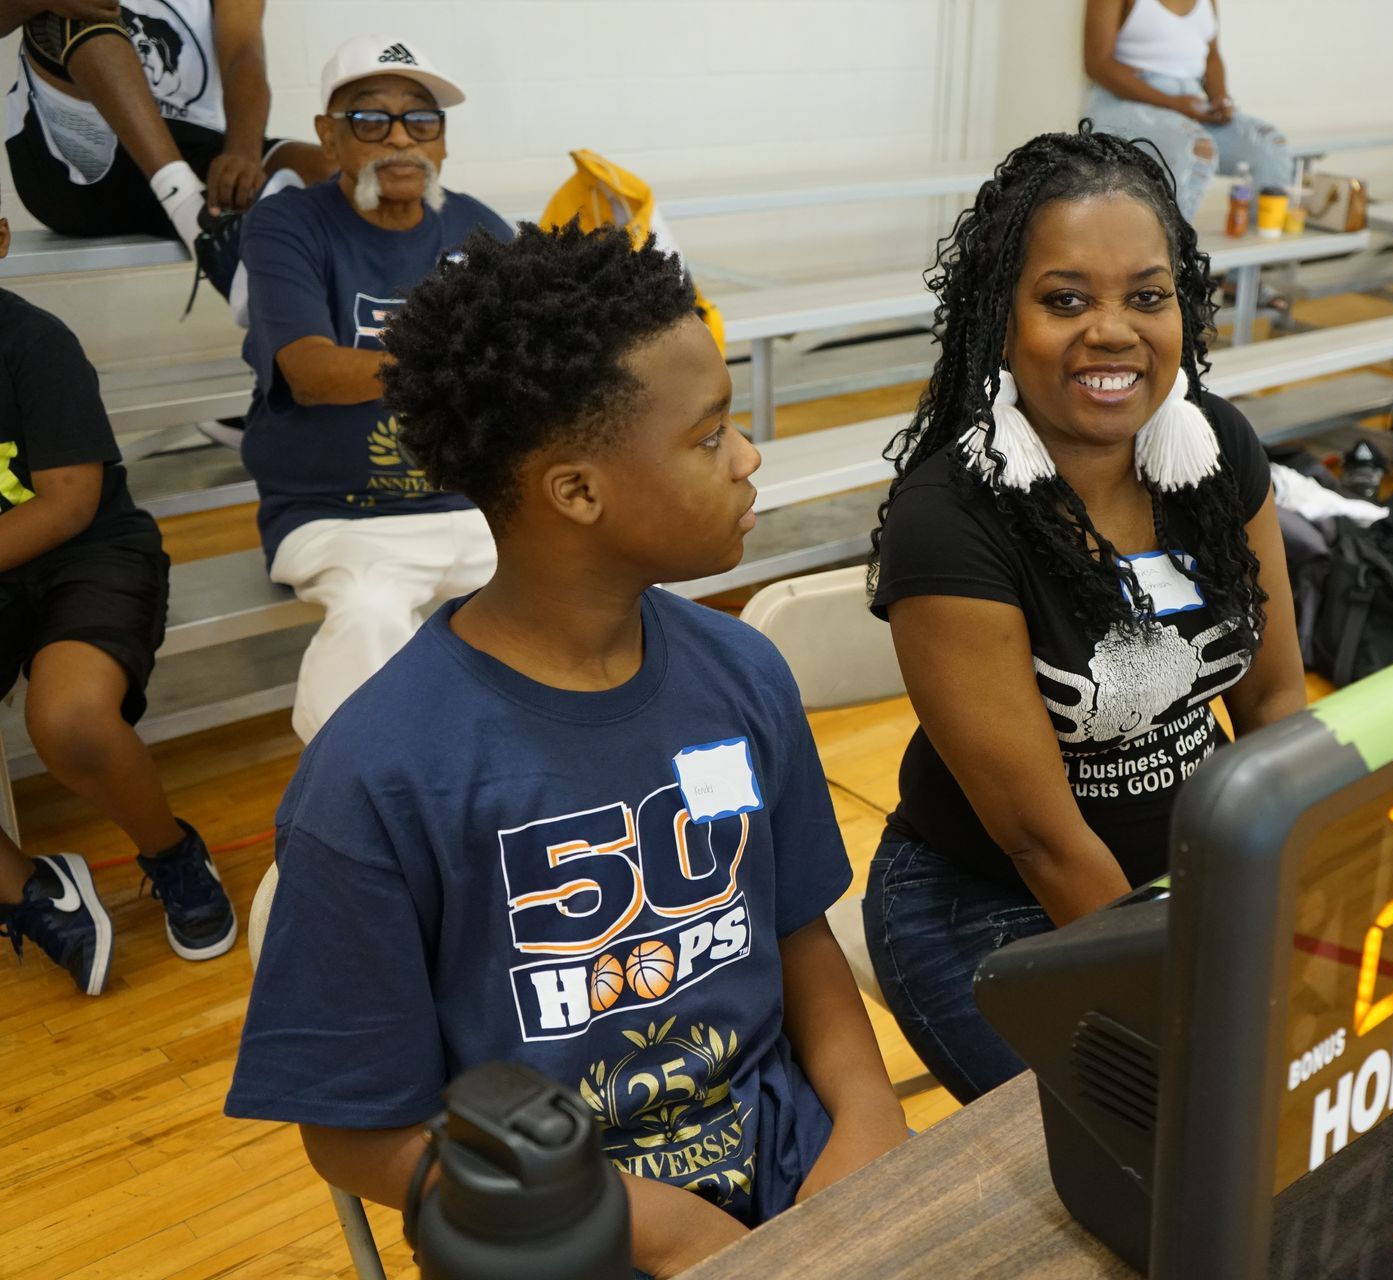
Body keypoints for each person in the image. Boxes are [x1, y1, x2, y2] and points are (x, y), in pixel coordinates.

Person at [227, 223, 910, 1278]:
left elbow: (798, 936)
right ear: (577, 491)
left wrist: (867, 1122)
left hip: (797, 1179)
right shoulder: (378, 777)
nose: (748, 456)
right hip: (553, 1232)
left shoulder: (742, 672)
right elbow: (356, 1133)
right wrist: (670, 1228)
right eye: (710, 434)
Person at [863, 124, 1308, 1102]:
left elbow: (1275, 700)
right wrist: (1190, 995)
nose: (1113, 330)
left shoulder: (1217, 452)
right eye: (1067, 299)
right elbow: (1043, 843)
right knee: (1165, 1136)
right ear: (1000, 318)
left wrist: (1302, 898)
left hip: (1189, 870)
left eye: (1146, 296)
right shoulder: (951, 521)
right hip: (990, 902)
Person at [237, 36, 512, 742]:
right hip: (344, 520)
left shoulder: (479, 227)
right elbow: (315, 373)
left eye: (422, 120)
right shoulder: (286, 225)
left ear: (443, 141)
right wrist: (461, 357)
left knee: (608, 577)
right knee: (368, 613)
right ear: (329, 138)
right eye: (370, 120)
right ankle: (356, 817)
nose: (400, 139)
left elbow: (528, 360)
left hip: (478, 502)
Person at [0, 199, 235, 996]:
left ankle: (172, 855)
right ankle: (31, 890)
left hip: (88, 552)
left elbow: (67, 503)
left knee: (68, 719)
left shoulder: (34, 342)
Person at [2, 0, 329, 271]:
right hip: (77, 158)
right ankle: (187, 203)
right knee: (83, 7)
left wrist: (243, 154)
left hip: (189, 154)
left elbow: (243, 52)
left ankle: (344, 328)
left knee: (337, 176)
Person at [1083, 0, 1292, 223]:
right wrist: (1174, 103)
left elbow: (1211, 55)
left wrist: (1220, 98)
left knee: (1270, 149)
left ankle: (1255, 256)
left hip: (1190, 102)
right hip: (1128, 102)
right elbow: (1098, 64)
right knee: (1196, 148)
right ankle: (1174, 254)